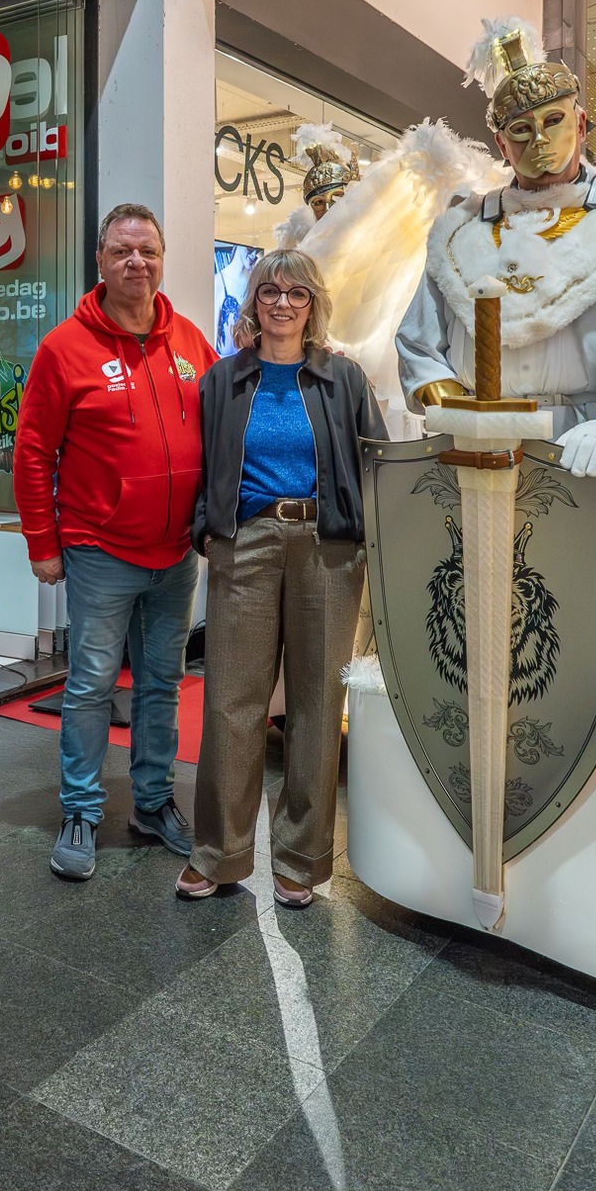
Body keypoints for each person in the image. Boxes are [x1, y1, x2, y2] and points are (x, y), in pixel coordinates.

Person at [396, 17, 596, 500]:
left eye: (553, 121)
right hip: (481, 454)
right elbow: (420, 347)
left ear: (579, 122)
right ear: (502, 144)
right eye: (520, 129)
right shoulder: (460, 226)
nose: (539, 140)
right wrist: (467, 420)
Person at [175, 250, 387, 909]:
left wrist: (373, 537)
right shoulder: (223, 381)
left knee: (318, 705)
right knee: (230, 699)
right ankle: (218, 853)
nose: (283, 303)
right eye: (270, 290)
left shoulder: (344, 379)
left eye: (297, 292)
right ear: (254, 300)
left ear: (314, 303)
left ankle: (301, 858)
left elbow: (376, 461)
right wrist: (205, 527)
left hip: (328, 547)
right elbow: (200, 462)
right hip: (247, 540)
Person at [14, 204, 219, 881]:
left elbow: (226, 422)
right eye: (124, 251)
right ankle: (81, 809)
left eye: (149, 251)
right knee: (92, 683)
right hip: (99, 550)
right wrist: (43, 544)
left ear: (163, 259)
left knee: (163, 682)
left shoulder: (190, 341)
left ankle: (153, 803)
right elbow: (32, 453)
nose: (138, 262)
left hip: (175, 552)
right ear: (100, 261)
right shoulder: (63, 348)